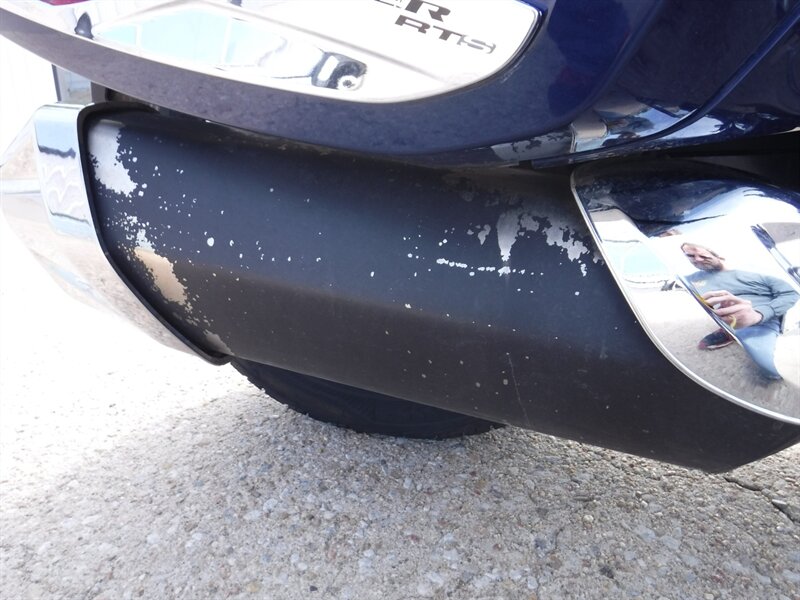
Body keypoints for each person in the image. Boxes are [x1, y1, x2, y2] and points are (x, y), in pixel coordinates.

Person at [681, 243, 799, 380]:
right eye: (691, 256)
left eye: (703, 255)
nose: (697, 259)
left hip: (760, 318)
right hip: (724, 316)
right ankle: (729, 329)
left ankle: (737, 331)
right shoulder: (690, 279)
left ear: (717, 254)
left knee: (773, 369)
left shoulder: (756, 272)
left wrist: (759, 314)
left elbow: (791, 294)